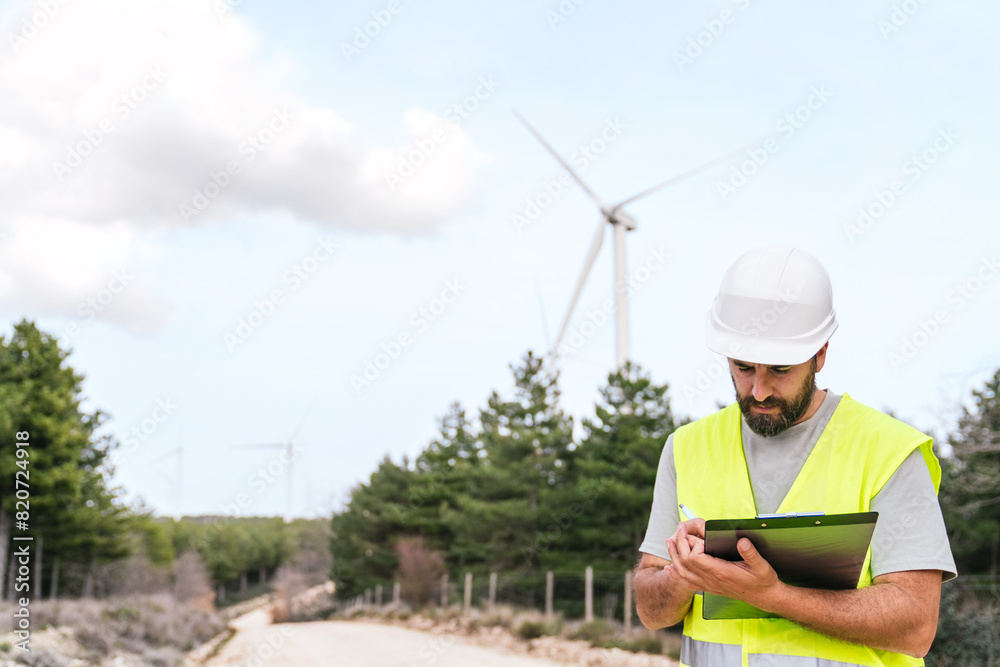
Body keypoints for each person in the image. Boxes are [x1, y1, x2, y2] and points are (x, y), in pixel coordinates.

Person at [633, 246, 956, 667]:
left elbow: (915, 628)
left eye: (780, 370)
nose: (759, 390)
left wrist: (774, 596)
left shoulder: (889, 451)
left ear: (820, 354)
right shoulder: (687, 446)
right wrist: (682, 574)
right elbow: (650, 611)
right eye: (743, 367)